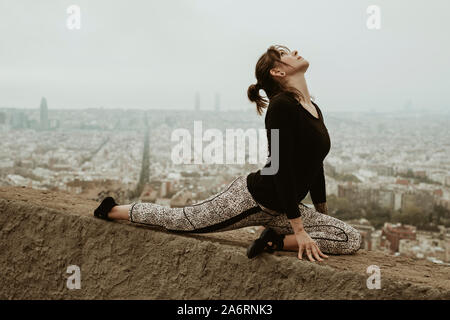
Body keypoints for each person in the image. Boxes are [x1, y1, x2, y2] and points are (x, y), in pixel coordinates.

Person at [94, 44, 362, 262]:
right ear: (277, 72)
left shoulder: (312, 108)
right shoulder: (280, 107)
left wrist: (322, 214)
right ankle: (112, 209)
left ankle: (272, 241)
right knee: (182, 221)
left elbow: (316, 165)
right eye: (285, 54)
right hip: (254, 198)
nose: (294, 52)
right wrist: (301, 230)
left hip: (284, 209)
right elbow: (277, 166)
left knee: (350, 238)